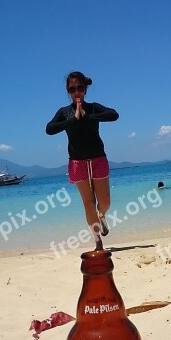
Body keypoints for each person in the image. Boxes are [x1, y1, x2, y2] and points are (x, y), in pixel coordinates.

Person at [46, 71, 119, 250]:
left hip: (97, 159)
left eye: (79, 88)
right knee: (88, 203)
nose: (76, 92)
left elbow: (114, 114)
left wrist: (88, 117)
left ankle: (101, 215)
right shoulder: (64, 112)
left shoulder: (93, 108)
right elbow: (49, 129)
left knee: (105, 201)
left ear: (85, 90)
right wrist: (72, 120)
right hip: (77, 162)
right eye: (72, 89)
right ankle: (97, 242)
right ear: (68, 91)